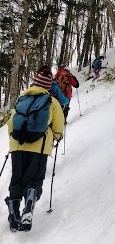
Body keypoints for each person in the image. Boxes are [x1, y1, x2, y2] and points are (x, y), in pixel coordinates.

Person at [5, 67, 64, 232]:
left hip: (17, 146)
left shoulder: (22, 98)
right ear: (47, 86)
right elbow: (58, 127)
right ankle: (30, 200)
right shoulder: (52, 102)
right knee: (34, 179)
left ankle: (13, 212)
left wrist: (14, 139)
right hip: (40, 148)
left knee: (16, 179)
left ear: (35, 83)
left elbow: (11, 123)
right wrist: (57, 137)